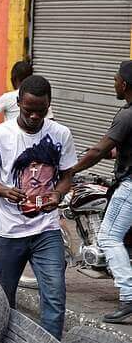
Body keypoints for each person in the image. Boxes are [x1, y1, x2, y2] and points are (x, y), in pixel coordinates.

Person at [0, 75, 76, 339]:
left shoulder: (61, 134)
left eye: (41, 111)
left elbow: (67, 175)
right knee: (2, 299)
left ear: (49, 105)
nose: (34, 116)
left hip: (47, 230)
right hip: (9, 233)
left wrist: (57, 193)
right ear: (18, 102)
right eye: (28, 110)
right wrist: (4, 190)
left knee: (55, 295)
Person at [70, 60, 132, 323]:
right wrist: (114, 154)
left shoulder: (127, 114)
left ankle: (129, 297)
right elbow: (117, 148)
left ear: (125, 84)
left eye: (116, 78)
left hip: (129, 185)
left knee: (108, 237)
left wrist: (70, 171)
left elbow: (98, 150)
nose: (113, 82)